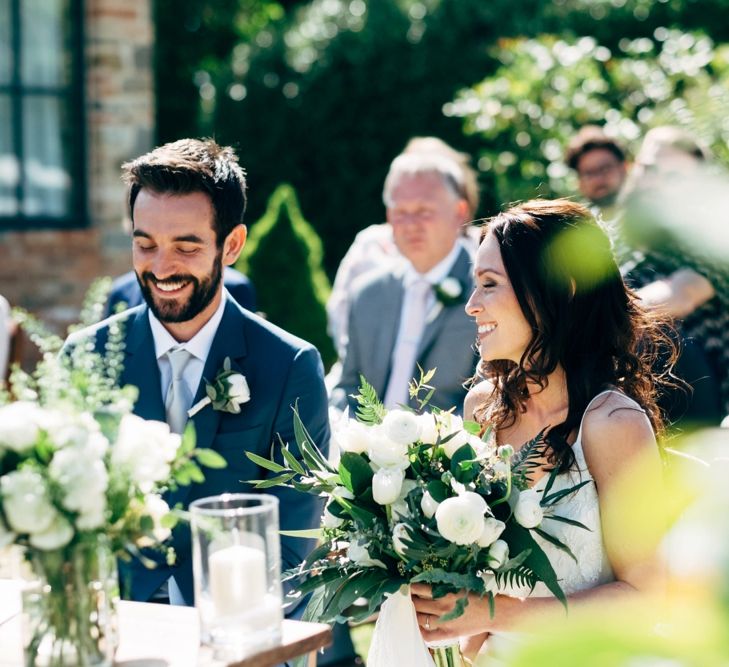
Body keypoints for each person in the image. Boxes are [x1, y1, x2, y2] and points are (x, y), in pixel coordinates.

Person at [64, 138, 333, 629]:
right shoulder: (84, 358)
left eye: (186, 246)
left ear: (231, 245)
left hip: (235, 636)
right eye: (145, 244)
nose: (162, 267)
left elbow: (295, 543)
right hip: (110, 631)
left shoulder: (291, 365)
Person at [411, 199, 670, 658]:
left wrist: (495, 612)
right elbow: (474, 599)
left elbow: (646, 598)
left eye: (489, 285)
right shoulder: (483, 411)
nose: (472, 306)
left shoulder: (612, 424)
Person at [330, 150, 478, 414]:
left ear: (460, 212)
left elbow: (491, 402)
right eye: (400, 212)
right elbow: (349, 386)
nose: (410, 225)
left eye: (424, 211)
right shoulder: (366, 293)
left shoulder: (486, 292)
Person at [618, 126, 727, 425]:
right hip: (628, 386)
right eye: (650, 169)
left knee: (662, 335)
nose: (656, 183)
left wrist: (593, 315)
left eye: (674, 179)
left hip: (696, 396)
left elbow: (680, 295)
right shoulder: (617, 237)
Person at [105, 266, 256, 316]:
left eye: (186, 248)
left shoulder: (235, 286)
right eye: (145, 245)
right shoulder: (120, 291)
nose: (162, 272)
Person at [565, 125, 628, 225]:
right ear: (579, 183)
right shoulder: (582, 228)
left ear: (624, 168)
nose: (598, 179)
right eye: (589, 173)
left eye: (605, 169)